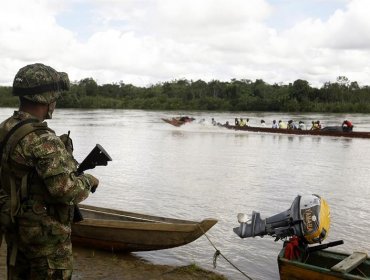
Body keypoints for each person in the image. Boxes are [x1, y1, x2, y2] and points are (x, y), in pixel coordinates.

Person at [0, 63, 99, 279]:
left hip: (17, 230)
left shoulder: (6, 127)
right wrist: (89, 181)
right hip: (46, 240)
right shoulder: (43, 140)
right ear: (48, 98)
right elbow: (66, 191)